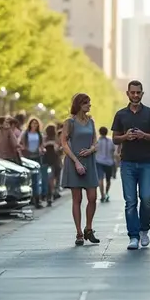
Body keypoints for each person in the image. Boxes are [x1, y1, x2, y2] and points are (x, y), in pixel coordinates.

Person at [111, 80, 150, 250]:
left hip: (147, 162)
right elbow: (115, 138)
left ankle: (144, 231)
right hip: (128, 163)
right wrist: (126, 137)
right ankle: (133, 236)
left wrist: (143, 135)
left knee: (146, 199)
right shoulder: (120, 115)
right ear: (127, 93)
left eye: (138, 92)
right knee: (130, 201)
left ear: (142, 93)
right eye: (132, 92)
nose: (135, 95)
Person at [60, 93, 100, 246]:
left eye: (89, 103)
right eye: (86, 103)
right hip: (73, 162)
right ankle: (79, 233)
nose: (89, 105)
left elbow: (95, 142)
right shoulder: (69, 122)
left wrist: (91, 150)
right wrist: (76, 162)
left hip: (89, 162)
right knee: (77, 199)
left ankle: (88, 229)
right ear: (79, 104)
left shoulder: (91, 121)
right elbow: (64, 144)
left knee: (92, 197)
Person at [20, 118, 46, 209]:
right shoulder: (25, 134)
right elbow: (21, 143)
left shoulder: (39, 134)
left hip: (37, 157)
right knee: (29, 178)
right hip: (28, 156)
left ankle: (36, 199)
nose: (34, 125)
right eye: (33, 123)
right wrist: (24, 148)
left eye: (36, 123)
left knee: (36, 179)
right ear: (30, 124)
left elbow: (42, 145)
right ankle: (29, 198)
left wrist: (41, 149)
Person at [42, 124, 62, 206]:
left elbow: (42, 148)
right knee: (55, 177)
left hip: (46, 160)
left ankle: (49, 195)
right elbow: (59, 149)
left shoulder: (44, 139)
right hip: (55, 160)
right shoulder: (56, 139)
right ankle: (54, 192)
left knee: (49, 179)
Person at [95, 126, 116, 203]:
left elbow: (94, 150)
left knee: (100, 178)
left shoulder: (97, 142)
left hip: (99, 161)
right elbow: (113, 151)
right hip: (109, 162)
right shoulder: (110, 141)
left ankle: (102, 195)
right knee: (108, 179)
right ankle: (106, 193)